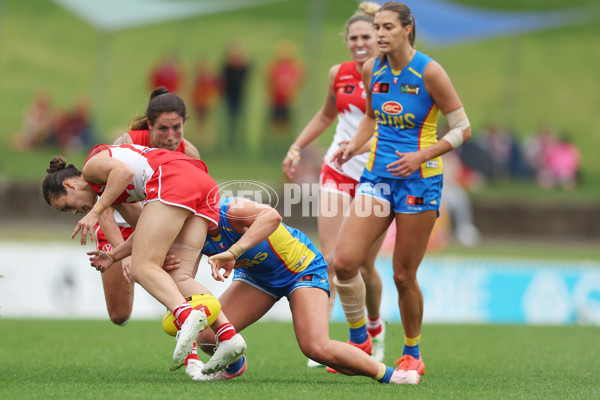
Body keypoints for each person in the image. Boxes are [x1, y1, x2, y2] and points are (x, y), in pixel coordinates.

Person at [330, 2, 472, 382]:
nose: (379, 35)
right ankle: (359, 341)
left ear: (407, 30)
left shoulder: (430, 72)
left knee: (403, 275)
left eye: (387, 27)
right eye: (377, 27)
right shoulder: (371, 68)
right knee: (343, 262)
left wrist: (420, 156)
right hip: (377, 176)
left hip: (419, 180)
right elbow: (373, 118)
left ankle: (412, 353)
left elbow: (463, 128)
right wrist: (354, 147)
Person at [42, 143, 246, 375]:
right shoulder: (114, 194)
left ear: (69, 185)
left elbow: (124, 172)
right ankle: (229, 336)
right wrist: (113, 256)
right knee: (177, 276)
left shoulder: (91, 168)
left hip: (174, 179)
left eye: (67, 206)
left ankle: (187, 314)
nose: (74, 212)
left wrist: (96, 212)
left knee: (141, 268)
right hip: (202, 186)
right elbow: (144, 227)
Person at [188, 197, 419, 384]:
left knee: (315, 348)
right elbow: (186, 278)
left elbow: (272, 217)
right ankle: (234, 365)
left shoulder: (230, 209)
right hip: (258, 279)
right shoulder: (188, 229)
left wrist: (234, 252)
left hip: (301, 268)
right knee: (208, 338)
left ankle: (391, 375)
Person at [282, 1, 386, 367]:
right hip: (336, 172)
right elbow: (327, 113)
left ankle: (374, 330)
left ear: (381, 38)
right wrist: (297, 147)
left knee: (361, 266)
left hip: (376, 178)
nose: (359, 44)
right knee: (330, 260)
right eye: (353, 38)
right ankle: (325, 340)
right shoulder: (337, 73)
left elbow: (393, 125)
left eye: (367, 37)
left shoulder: (394, 74)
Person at [266, 39, 305, 135]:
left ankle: (286, 139)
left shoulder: (295, 67)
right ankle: (276, 138)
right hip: (276, 100)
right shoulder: (274, 66)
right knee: (275, 123)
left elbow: (300, 79)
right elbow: (269, 80)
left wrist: (293, 92)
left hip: (288, 101)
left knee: (287, 123)